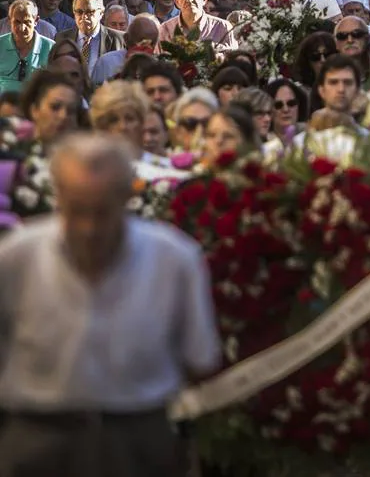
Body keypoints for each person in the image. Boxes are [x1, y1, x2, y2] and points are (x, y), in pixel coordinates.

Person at [0, 133, 221, 476]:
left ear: (126, 198)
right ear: (58, 197)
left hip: (138, 436)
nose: (89, 229)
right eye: (77, 210)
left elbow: (200, 358)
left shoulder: (174, 259)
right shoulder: (16, 257)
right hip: (37, 437)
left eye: (102, 212)